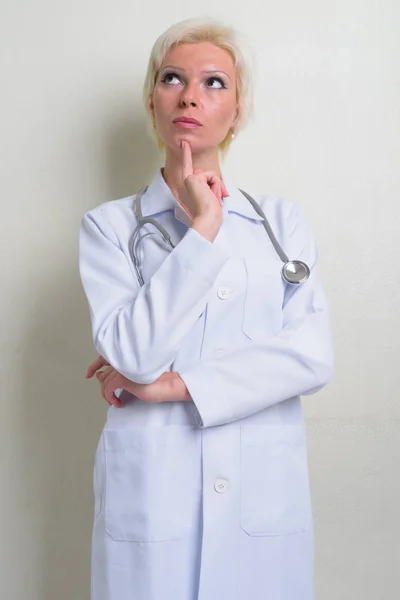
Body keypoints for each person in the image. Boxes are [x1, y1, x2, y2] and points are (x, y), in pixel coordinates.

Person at [78, 16, 334, 600]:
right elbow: (135, 355)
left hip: (258, 497)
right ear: (152, 101)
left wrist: (174, 388)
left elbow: (312, 356)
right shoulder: (110, 227)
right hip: (153, 495)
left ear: (238, 109)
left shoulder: (281, 224)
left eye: (215, 82)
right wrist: (205, 229)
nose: (191, 95)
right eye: (173, 79)